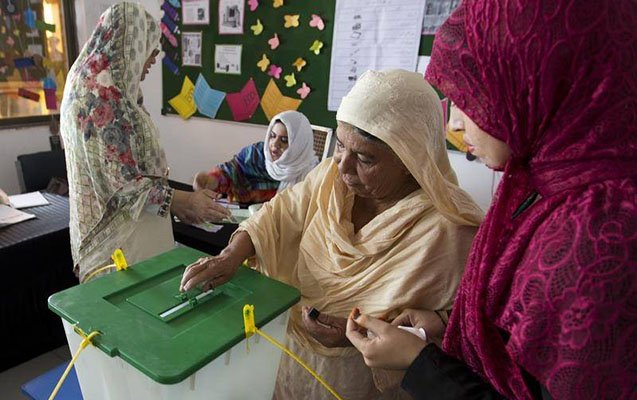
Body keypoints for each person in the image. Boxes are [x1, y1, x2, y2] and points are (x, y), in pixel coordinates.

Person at [346, 1, 637, 399]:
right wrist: (443, 324)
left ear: (537, 78)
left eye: (473, 94)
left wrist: (420, 363)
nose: (454, 124)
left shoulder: (597, 235)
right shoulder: (543, 181)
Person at [180, 69, 484, 399]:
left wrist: (354, 335)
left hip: (362, 382)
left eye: (365, 158)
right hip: (293, 355)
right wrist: (231, 255)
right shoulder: (329, 179)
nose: (343, 165)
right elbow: (279, 214)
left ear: (411, 157)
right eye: (340, 145)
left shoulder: (451, 231)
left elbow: (457, 332)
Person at [60, 2, 230, 282]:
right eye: (151, 51)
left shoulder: (96, 85)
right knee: (134, 315)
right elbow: (123, 184)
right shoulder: (100, 96)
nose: (152, 61)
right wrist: (183, 201)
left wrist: (179, 203)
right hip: (119, 238)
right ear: (130, 44)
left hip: (131, 226)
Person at [193, 110, 318, 203]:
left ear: (299, 144)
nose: (274, 144)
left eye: (284, 140)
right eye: (272, 136)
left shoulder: (312, 174)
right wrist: (212, 180)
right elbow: (232, 170)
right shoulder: (257, 154)